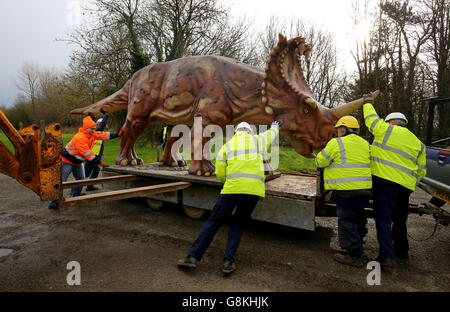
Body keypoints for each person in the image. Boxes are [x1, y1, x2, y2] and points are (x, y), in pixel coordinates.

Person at [177, 121, 280, 275]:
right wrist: (275, 126)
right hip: (254, 191)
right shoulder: (259, 140)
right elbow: (271, 134)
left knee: (213, 222)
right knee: (238, 224)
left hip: (231, 189)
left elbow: (219, 172)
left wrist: (229, 181)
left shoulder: (227, 146)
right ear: (249, 131)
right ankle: (228, 262)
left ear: (236, 132)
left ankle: (193, 258)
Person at [362, 93, 426, 270]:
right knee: (400, 218)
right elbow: (422, 171)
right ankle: (401, 250)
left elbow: (371, 120)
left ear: (393, 122)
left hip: (385, 183)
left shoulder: (387, 130)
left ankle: (386, 257)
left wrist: (368, 102)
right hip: (405, 187)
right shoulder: (418, 143)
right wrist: (409, 184)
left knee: (383, 217)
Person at [315, 116, 372, 268]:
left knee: (346, 220)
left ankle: (354, 254)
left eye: (339, 129)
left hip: (345, 190)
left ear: (343, 129)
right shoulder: (366, 144)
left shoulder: (336, 143)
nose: (338, 132)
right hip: (364, 189)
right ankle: (359, 244)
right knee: (359, 217)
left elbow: (321, 161)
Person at [48, 116, 122, 209]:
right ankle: (53, 202)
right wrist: (98, 162)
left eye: (95, 128)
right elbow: (88, 154)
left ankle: (75, 196)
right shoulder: (80, 138)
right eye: (92, 128)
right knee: (61, 181)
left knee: (81, 179)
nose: (94, 130)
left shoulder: (91, 134)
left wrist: (116, 134)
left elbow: (102, 135)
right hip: (66, 162)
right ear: (86, 128)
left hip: (77, 162)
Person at [85, 110, 109, 191]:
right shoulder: (97, 130)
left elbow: (98, 124)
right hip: (91, 156)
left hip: (95, 156)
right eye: (98, 124)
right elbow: (102, 125)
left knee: (95, 170)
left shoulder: (97, 130)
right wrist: (105, 115)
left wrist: (92, 116)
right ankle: (75, 189)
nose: (98, 125)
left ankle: (89, 186)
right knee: (85, 173)